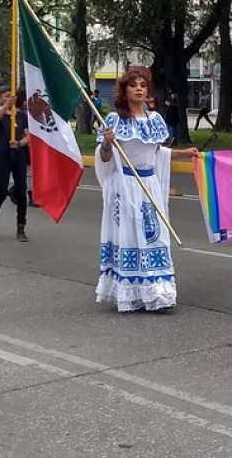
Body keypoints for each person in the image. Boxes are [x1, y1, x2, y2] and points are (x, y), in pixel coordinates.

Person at [95, 67, 199, 312]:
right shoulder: (114, 120)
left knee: (153, 235)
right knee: (131, 235)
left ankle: (157, 291)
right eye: (133, 85)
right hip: (126, 186)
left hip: (149, 184)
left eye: (143, 85)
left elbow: (155, 153)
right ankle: (130, 292)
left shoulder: (155, 120)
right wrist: (108, 143)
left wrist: (183, 153)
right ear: (124, 90)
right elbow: (105, 158)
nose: (139, 89)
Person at [0, 86, 30, 242]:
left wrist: (19, 144)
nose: (10, 98)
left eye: (12, 96)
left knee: (22, 192)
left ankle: (21, 227)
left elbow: (28, 137)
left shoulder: (22, 116)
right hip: (3, 157)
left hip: (19, 157)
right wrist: (5, 107)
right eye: (6, 96)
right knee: (1, 192)